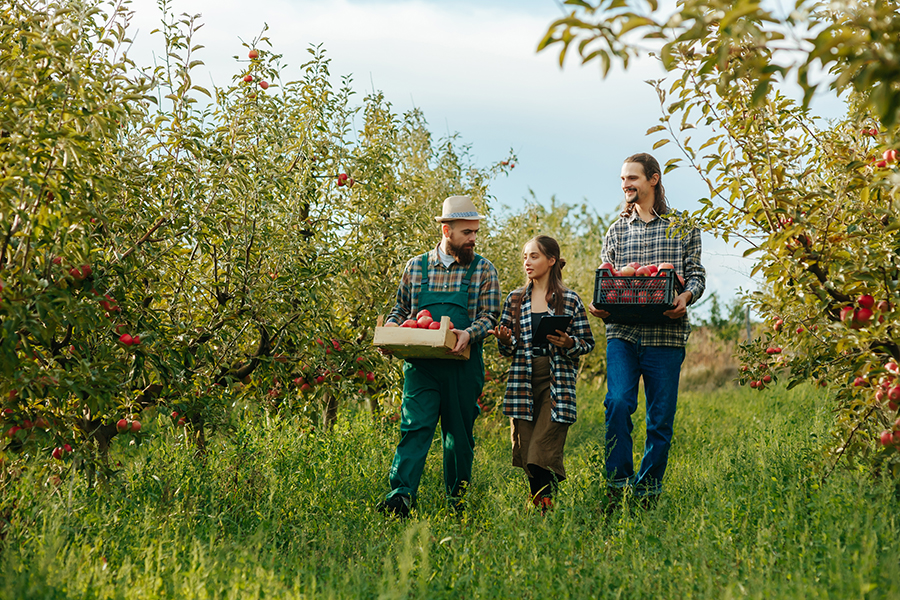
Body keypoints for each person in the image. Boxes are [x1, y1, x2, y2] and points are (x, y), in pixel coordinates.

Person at [588, 152, 706, 509]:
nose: (626, 185)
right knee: (618, 403)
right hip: (622, 332)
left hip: (666, 336)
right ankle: (618, 485)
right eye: (623, 179)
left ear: (653, 179)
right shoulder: (615, 230)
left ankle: (648, 491)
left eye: (632, 178)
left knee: (660, 418)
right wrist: (600, 304)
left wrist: (685, 296)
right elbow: (607, 279)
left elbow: (697, 275)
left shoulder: (683, 227)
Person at [378, 195, 501, 518]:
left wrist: (468, 334)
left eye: (475, 232)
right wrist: (391, 331)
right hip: (421, 364)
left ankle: (457, 501)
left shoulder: (483, 270)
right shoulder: (415, 267)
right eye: (466, 233)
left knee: (459, 437)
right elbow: (401, 309)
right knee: (414, 427)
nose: (473, 238)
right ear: (447, 231)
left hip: (463, 365)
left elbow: (490, 317)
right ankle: (400, 496)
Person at [490, 236, 594, 514]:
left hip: (556, 381)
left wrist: (569, 343)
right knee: (526, 449)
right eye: (524, 256)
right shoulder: (515, 299)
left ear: (551, 261)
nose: (527, 262)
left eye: (534, 256)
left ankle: (543, 505)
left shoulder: (569, 300)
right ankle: (542, 505)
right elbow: (508, 348)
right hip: (522, 381)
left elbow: (587, 342)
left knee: (541, 449)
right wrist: (503, 339)